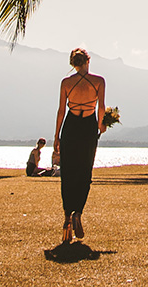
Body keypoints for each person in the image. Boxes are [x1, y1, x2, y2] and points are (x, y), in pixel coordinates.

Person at [53, 47, 108, 244]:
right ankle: (78, 212)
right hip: (87, 127)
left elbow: (61, 110)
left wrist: (56, 136)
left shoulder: (66, 83)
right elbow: (101, 107)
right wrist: (102, 125)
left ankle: (67, 215)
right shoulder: (98, 81)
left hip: (71, 126)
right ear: (87, 61)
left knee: (68, 173)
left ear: (73, 64)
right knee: (85, 172)